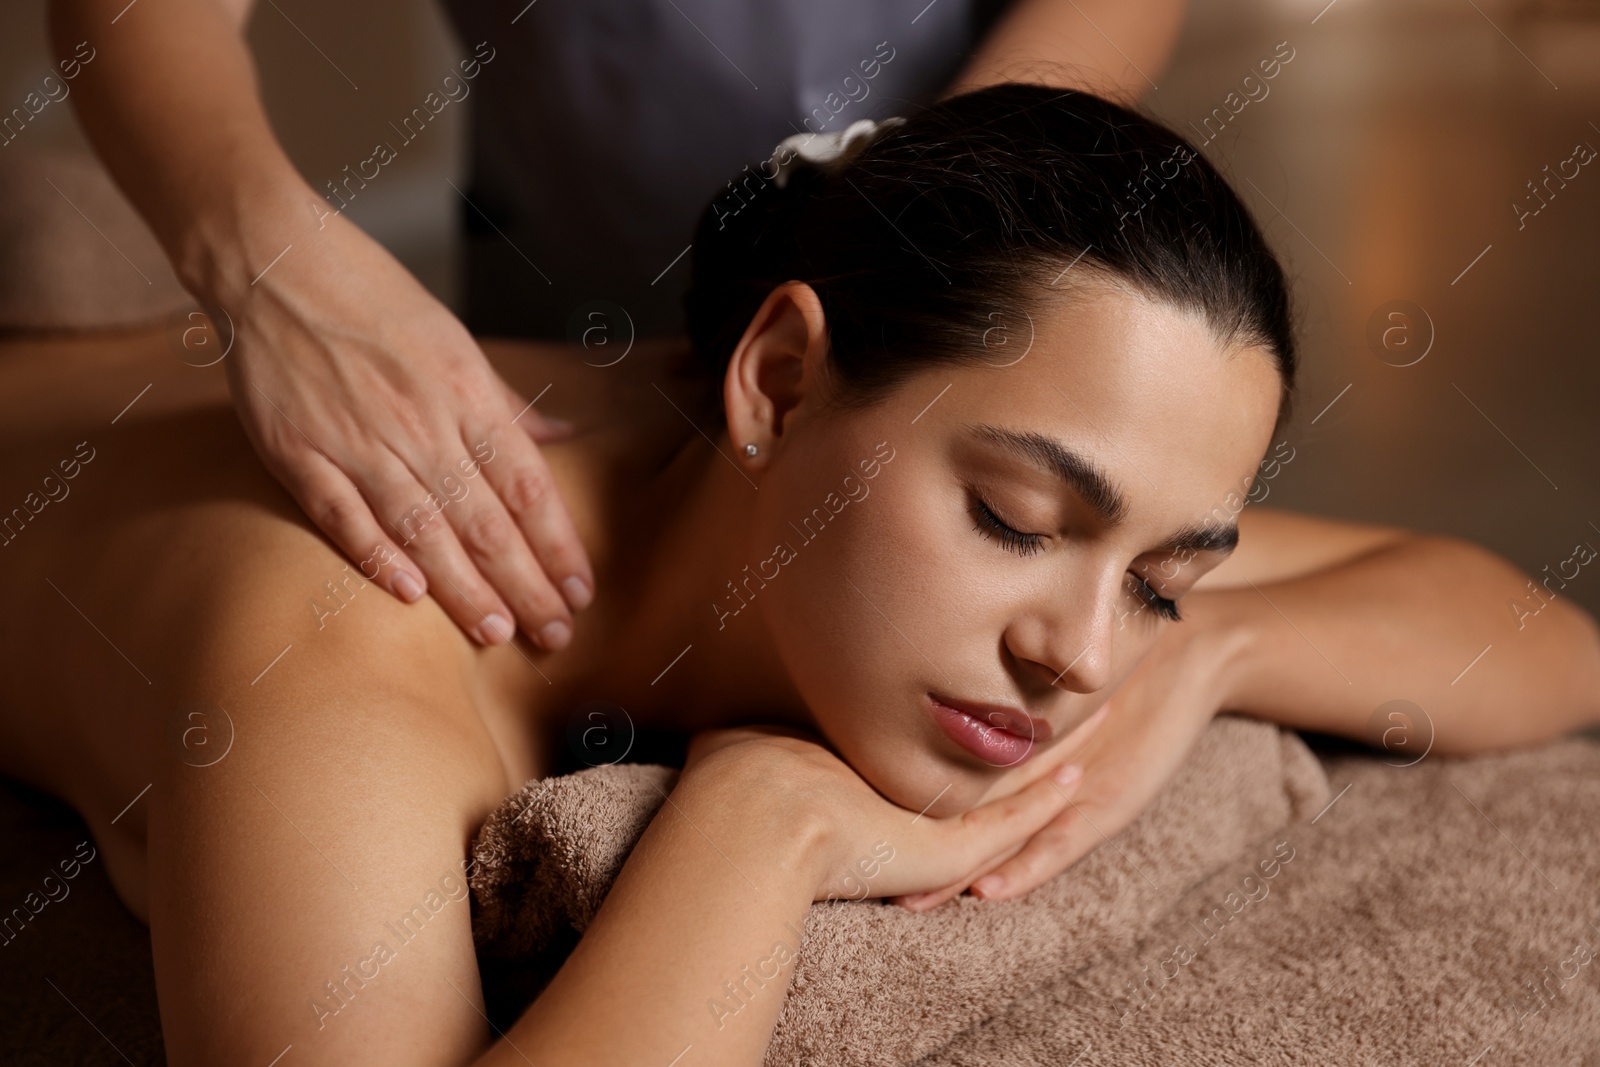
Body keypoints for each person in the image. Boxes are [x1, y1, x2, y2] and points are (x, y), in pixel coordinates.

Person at [3, 84, 1596, 1067]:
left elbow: (1539, 639)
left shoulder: (838, 482)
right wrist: (763, 822)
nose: (1080, 657)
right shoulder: (346, 649)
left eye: (1163, 578)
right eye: (1021, 519)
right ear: (774, 376)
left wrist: (1219, 655)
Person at [47, 0, 1187, 656]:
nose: (1081, 664)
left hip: (943, 271)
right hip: (559, 273)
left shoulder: (1029, 510)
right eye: (1007, 518)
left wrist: (944, 217)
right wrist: (262, 264)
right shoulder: (366, 630)